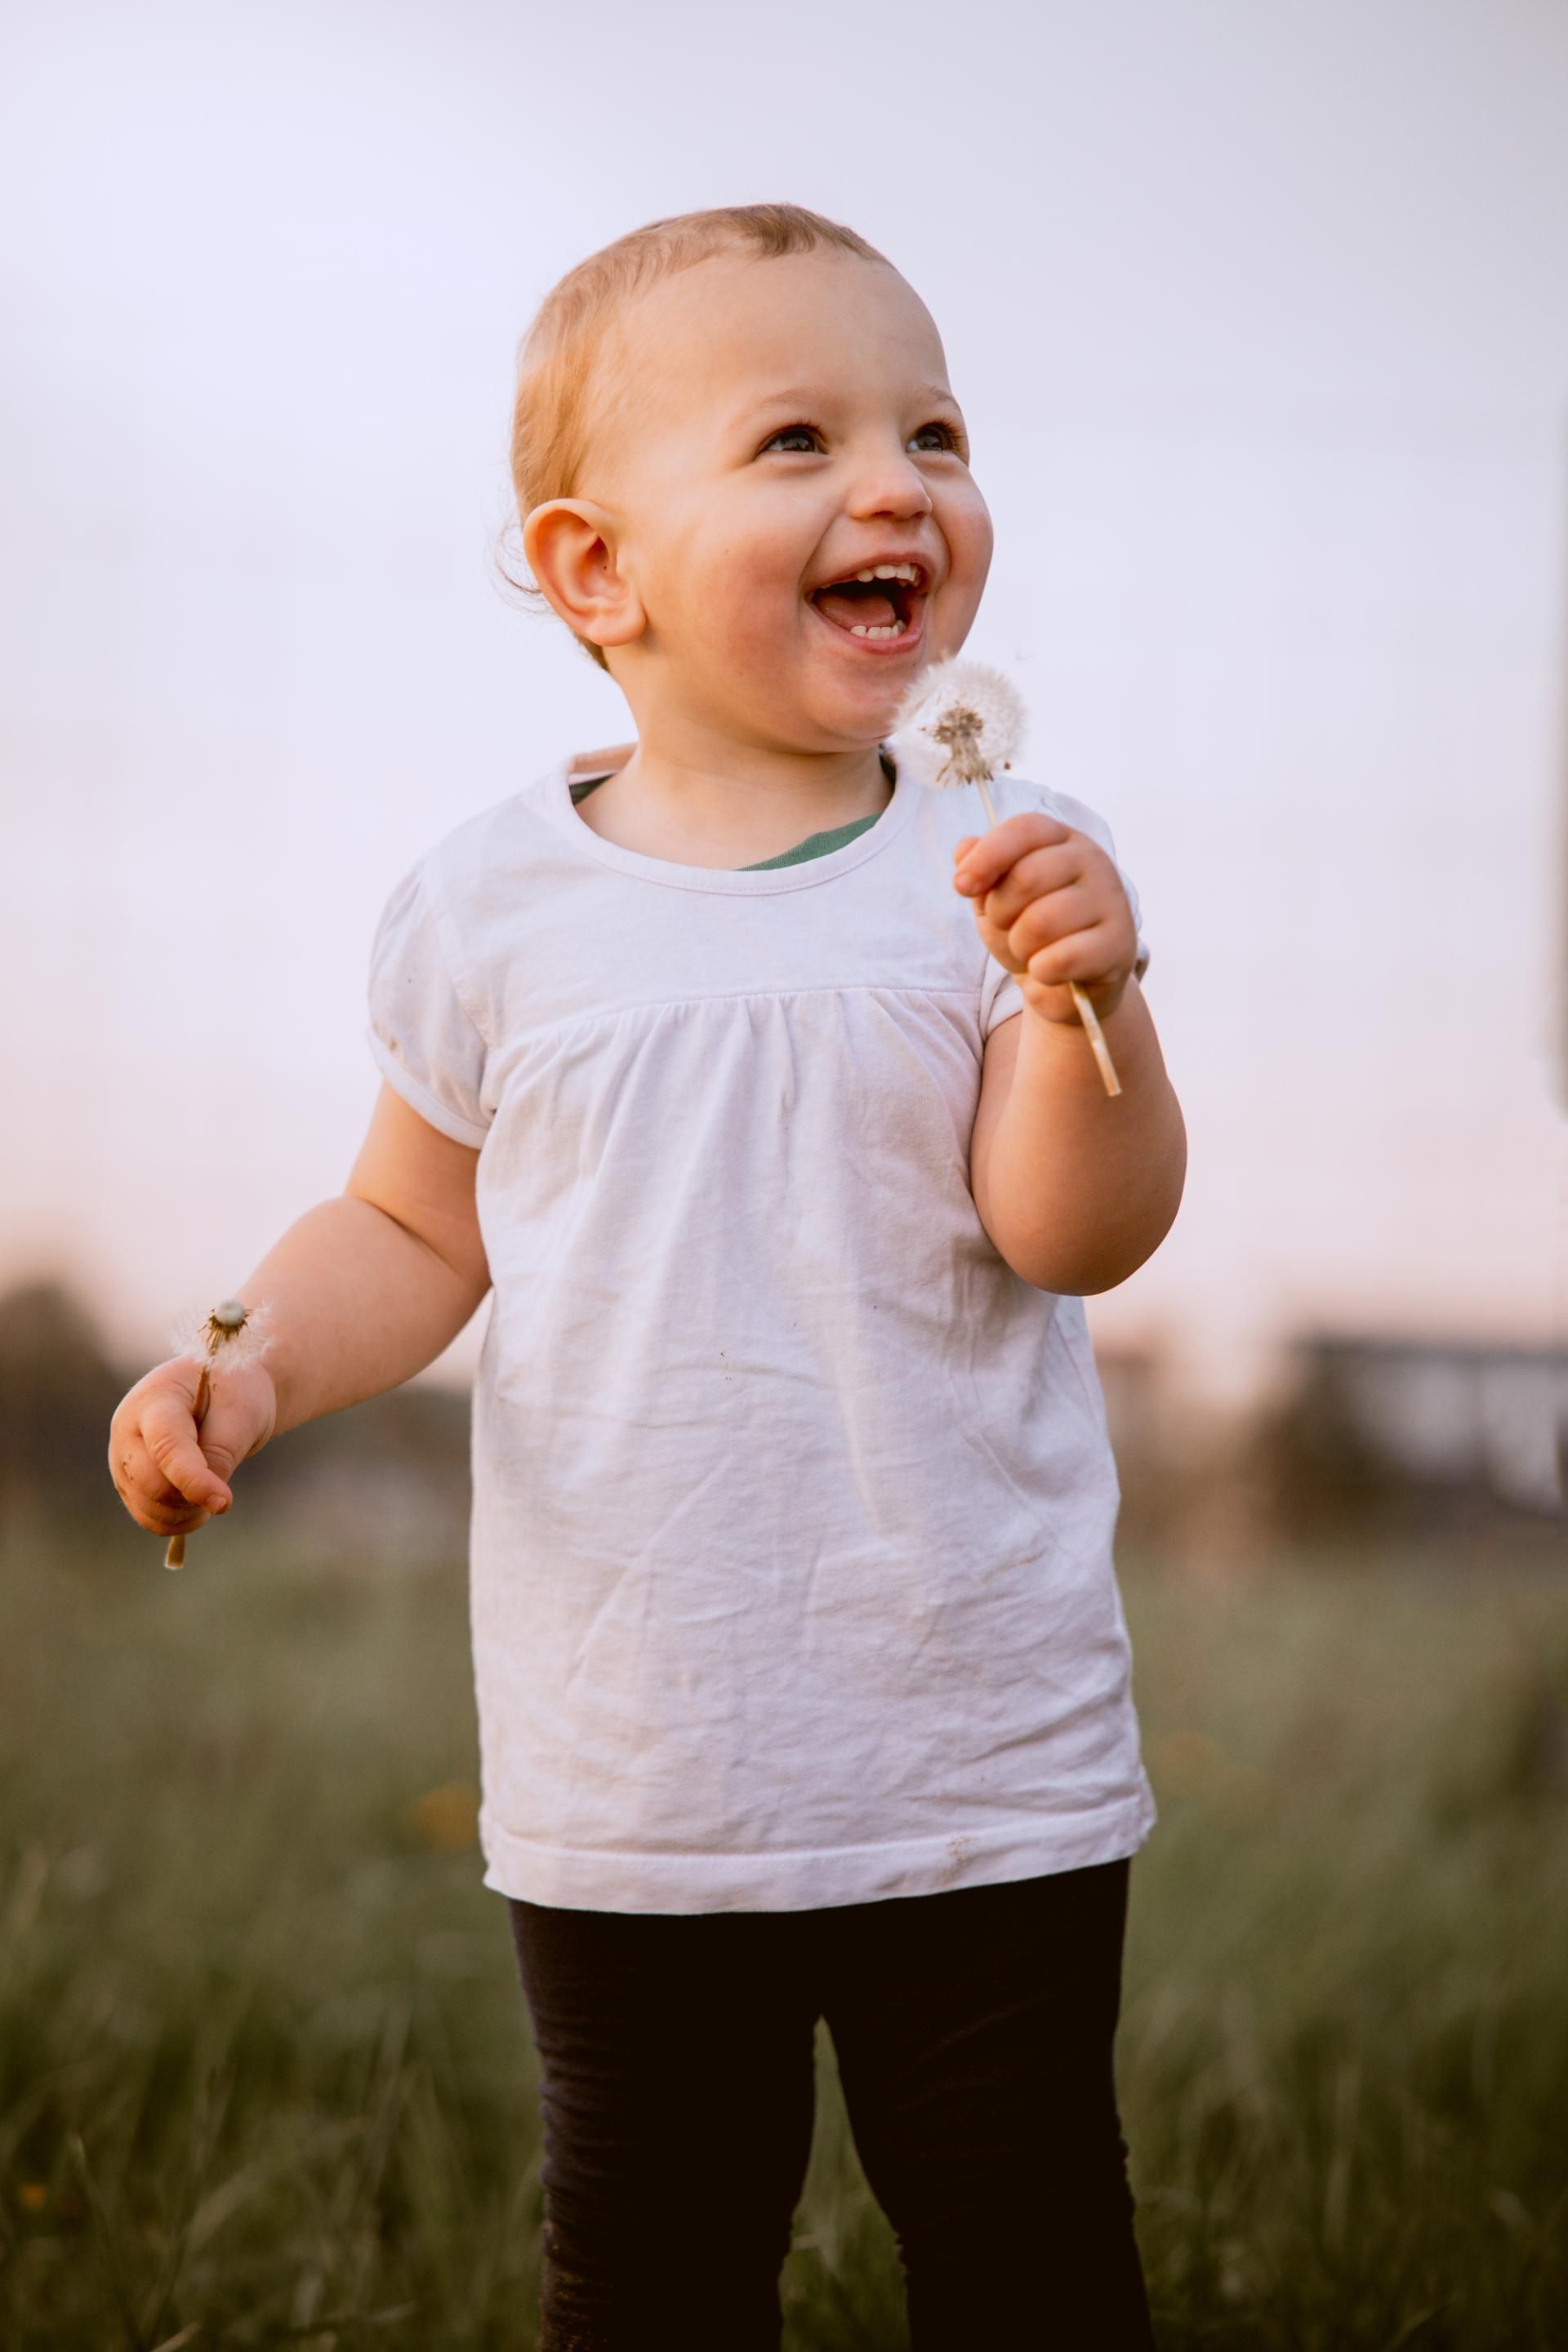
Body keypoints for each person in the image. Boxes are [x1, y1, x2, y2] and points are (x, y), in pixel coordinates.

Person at [109, 203, 1186, 2348]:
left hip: (977, 1752)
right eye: (799, 439)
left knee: (1024, 2240)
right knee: (652, 2256)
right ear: (597, 570)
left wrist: (1098, 1006)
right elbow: (416, 1229)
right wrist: (245, 1365)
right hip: (641, 1765)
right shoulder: (490, 906)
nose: (901, 484)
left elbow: (1077, 1232)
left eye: (937, 431)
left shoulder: (984, 865)